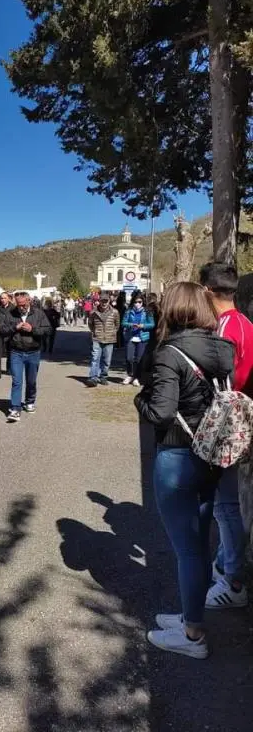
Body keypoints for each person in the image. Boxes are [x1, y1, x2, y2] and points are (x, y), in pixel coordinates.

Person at [135, 282, 233, 659]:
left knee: (187, 550)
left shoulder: (170, 353)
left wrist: (138, 399)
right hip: (212, 452)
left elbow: (159, 411)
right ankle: (191, 615)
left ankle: (193, 634)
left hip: (178, 453)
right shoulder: (223, 347)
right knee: (201, 541)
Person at [200, 262, 253, 610]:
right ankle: (225, 566)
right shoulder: (245, 323)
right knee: (229, 504)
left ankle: (232, 579)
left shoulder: (224, 328)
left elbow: (221, 381)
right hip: (242, 418)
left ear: (206, 291)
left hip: (229, 422)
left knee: (225, 506)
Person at [1, 291, 50, 421]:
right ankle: (15, 408)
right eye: (18, 305)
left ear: (29, 301)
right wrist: (14, 327)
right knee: (16, 381)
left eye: (23, 304)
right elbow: (2, 330)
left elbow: (47, 330)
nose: (21, 307)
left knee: (31, 381)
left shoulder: (38, 313)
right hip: (16, 352)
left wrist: (32, 329)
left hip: (33, 352)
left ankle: (29, 401)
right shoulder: (11, 313)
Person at [121, 292, 154, 387]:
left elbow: (152, 324)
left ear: (143, 302)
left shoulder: (147, 312)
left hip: (142, 337)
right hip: (131, 337)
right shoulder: (129, 311)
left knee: (139, 359)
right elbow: (123, 323)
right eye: (135, 302)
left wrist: (143, 326)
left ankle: (137, 377)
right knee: (129, 358)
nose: (137, 304)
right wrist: (131, 325)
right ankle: (130, 375)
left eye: (139, 302)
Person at [86, 296, 120, 387]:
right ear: (99, 301)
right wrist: (95, 332)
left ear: (109, 301)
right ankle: (93, 377)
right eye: (102, 301)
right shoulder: (94, 312)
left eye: (106, 301)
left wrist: (112, 332)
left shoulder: (115, 312)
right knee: (95, 358)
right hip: (97, 338)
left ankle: (103, 377)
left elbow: (117, 325)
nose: (104, 303)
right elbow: (90, 324)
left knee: (107, 360)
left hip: (109, 339)